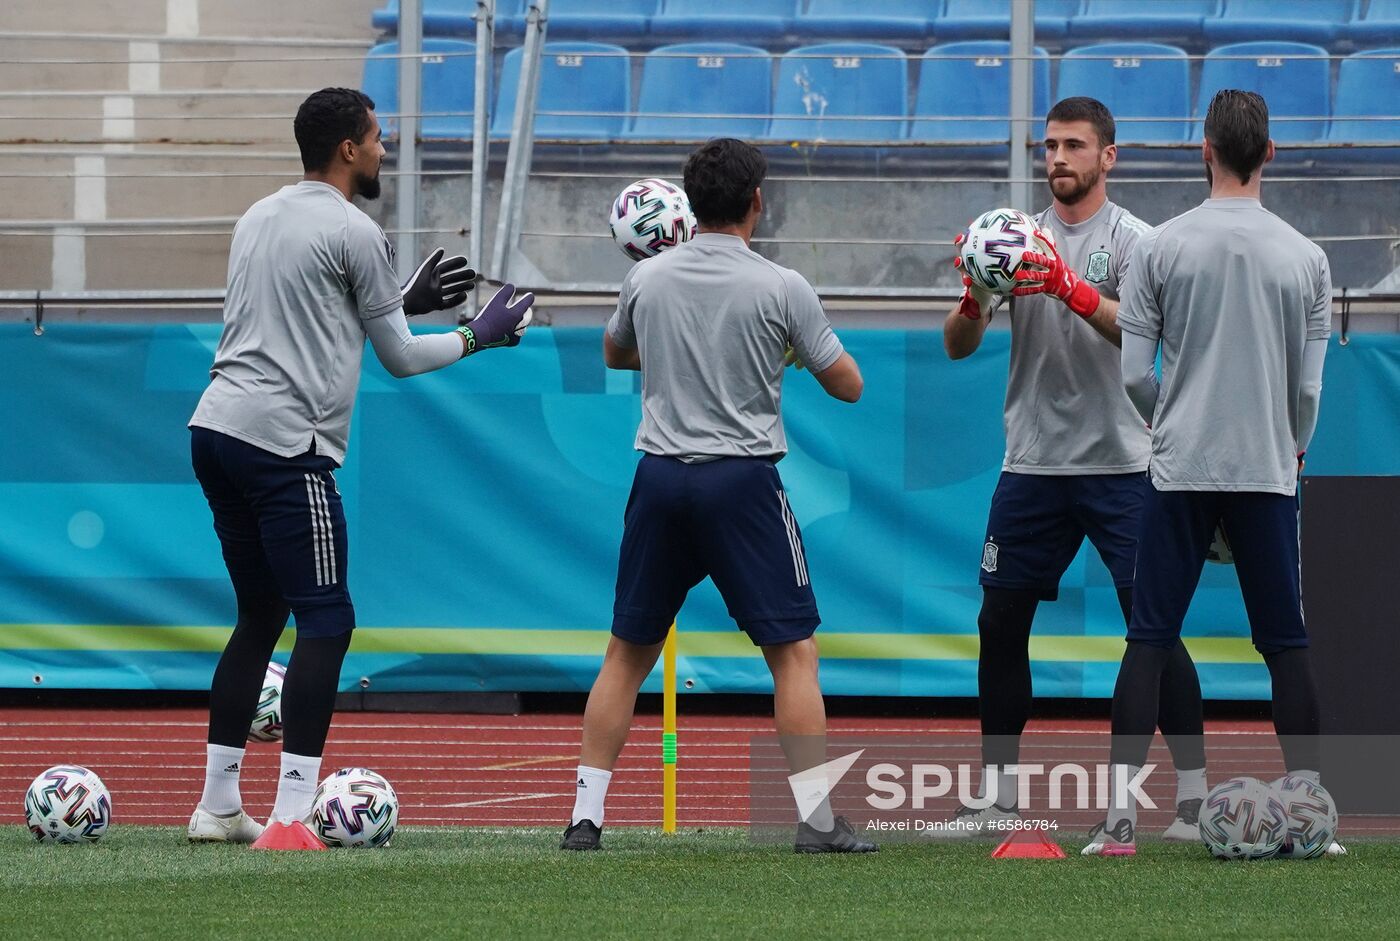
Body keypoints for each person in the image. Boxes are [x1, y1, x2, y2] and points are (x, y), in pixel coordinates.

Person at [186, 87, 534, 848]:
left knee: (259, 616)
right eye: (377, 138)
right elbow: (402, 356)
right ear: (348, 148)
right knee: (328, 620)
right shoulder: (355, 230)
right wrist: (483, 334)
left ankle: (216, 806)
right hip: (284, 444)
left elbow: (301, 314)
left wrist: (398, 295)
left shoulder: (260, 214)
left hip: (215, 427)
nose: (385, 150)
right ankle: (288, 816)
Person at [561, 138, 872, 854]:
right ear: (758, 201)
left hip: (662, 476)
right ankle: (817, 820)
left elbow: (615, 352)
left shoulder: (648, 279)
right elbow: (848, 383)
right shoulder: (780, 284)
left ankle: (585, 817)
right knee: (792, 652)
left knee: (625, 653)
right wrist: (785, 348)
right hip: (741, 481)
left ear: (689, 203)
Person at [942, 97, 1205, 840]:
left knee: (1153, 626)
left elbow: (1144, 332)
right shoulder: (1009, 238)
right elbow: (957, 346)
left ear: (1108, 157)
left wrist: (1066, 286)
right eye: (1050, 146)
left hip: (1124, 463)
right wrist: (975, 293)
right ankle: (999, 792)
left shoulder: (1138, 241)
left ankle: (1191, 797)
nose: (1057, 158)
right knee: (1000, 621)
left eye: (1074, 146)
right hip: (1031, 462)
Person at [1089, 89, 1333, 856]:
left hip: (1179, 465)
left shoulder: (1160, 247)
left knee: (1149, 639)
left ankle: (1120, 825)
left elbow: (1134, 376)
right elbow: (1307, 391)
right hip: (1265, 468)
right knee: (1285, 645)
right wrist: (1289, 447)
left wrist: (1170, 420)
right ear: (1269, 153)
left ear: (1205, 149)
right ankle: (1314, 825)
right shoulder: (1307, 256)